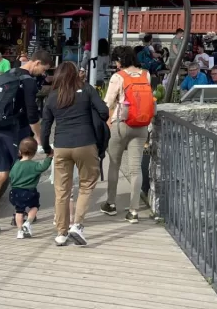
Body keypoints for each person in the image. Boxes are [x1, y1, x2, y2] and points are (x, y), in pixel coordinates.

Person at [0, 49, 52, 234]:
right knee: (22, 172)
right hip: (14, 131)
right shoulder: (26, 81)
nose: (43, 73)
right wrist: (39, 137)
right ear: (36, 63)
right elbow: (31, 113)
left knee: (1, 172)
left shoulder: (8, 74)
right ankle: (19, 212)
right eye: (43, 69)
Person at [41, 61, 109, 247]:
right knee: (87, 184)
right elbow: (104, 112)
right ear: (75, 74)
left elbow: (45, 127)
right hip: (85, 143)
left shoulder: (52, 97)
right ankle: (77, 225)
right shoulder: (86, 90)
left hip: (61, 146)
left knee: (62, 192)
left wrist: (47, 148)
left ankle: (61, 233)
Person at [103, 47, 155, 223]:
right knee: (135, 168)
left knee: (114, 164)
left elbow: (108, 103)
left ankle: (111, 204)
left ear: (119, 60)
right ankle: (133, 211)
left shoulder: (118, 77)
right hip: (141, 125)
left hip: (121, 123)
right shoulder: (146, 75)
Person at [8, 137, 52, 240]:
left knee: (19, 211)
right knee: (34, 206)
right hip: (29, 192)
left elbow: (10, 175)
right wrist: (49, 157)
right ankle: (27, 223)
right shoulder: (34, 165)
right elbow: (43, 167)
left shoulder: (16, 164)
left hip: (15, 192)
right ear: (35, 152)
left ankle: (20, 231)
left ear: (19, 151)